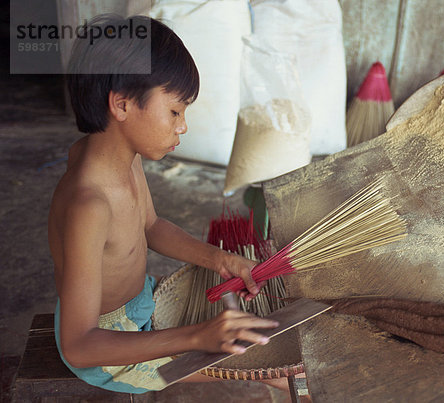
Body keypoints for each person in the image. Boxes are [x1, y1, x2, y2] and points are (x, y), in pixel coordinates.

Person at [47, 14, 280, 394]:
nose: (182, 126)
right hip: (108, 351)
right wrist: (195, 336)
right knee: (273, 369)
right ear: (121, 105)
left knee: (253, 337)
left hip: (139, 305)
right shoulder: (88, 206)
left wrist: (222, 260)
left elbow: (151, 226)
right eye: (175, 111)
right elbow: (80, 345)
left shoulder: (123, 157)